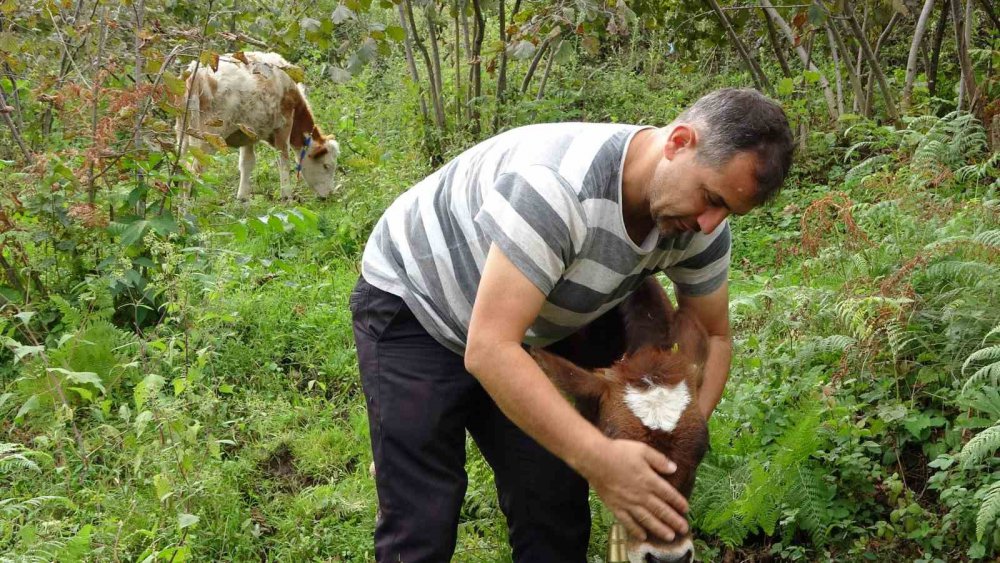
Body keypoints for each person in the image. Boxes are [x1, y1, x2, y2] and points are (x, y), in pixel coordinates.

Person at [350, 87, 794, 562]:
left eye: (728, 210)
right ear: (679, 141)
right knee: (421, 519)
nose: (711, 224)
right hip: (418, 302)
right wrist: (597, 457)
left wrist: (687, 431)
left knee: (553, 506)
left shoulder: (697, 224)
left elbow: (712, 334)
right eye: (710, 198)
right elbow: (490, 349)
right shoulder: (557, 188)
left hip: (529, 328)